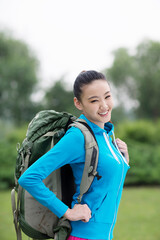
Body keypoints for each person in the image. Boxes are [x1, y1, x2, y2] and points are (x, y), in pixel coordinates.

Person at [18, 70, 130, 240]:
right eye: (94, 100)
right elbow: (29, 178)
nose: (104, 105)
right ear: (78, 103)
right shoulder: (78, 137)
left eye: (107, 96)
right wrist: (68, 212)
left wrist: (123, 160)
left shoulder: (106, 134)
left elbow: (106, 186)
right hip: (84, 235)